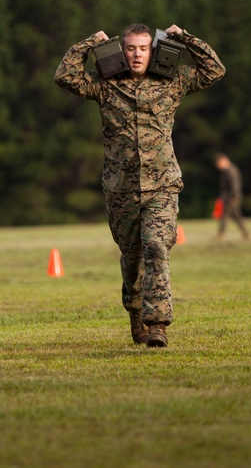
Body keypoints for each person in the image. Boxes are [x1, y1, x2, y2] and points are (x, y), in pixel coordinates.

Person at [55, 24, 225, 348]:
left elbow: (214, 69)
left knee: (157, 247)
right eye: (131, 48)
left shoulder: (172, 82)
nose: (137, 54)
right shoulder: (106, 86)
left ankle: (157, 324)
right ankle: (135, 312)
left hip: (162, 186)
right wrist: (91, 43)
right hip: (121, 190)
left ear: (153, 50)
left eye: (143, 48)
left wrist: (185, 39)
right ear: (122, 52)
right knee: (131, 259)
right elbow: (65, 76)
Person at [214, 152, 250, 240]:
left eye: (219, 163)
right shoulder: (226, 171)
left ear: (225, 160)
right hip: (229, 197)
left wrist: (234, 197)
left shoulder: (231, 171)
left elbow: (235, 185)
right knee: (236, 216)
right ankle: (245, 232)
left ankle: (220, 234)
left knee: (225, 216)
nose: (218, 166)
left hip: (231, 197)